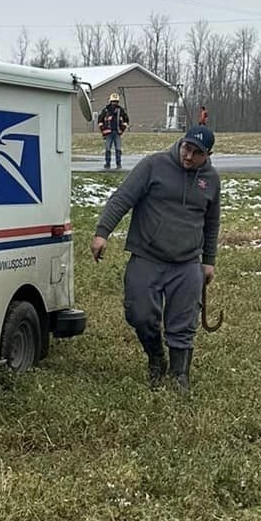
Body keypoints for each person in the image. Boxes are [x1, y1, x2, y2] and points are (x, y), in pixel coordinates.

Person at [91, 124, 220, 393]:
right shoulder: (154, 165)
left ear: (207, 155)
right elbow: (122, 199)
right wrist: (102, 233)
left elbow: (211, 222)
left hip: (186, 262)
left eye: (196, 153)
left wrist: (208, 260)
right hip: (147, 255)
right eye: (186, 148)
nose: (188, 156)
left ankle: (179, 375)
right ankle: (155, 357)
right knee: (139, 314)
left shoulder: (211, 180)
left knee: (183, 322)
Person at [97, 93, 131, 169]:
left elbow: (126, 120)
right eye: (113, 101)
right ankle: (107, 164)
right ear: (110, 101)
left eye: (116, 102)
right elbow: (100, 121)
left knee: (118, 149)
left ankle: (118, 164)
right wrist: (103, 130)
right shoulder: (105, 110)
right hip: (108, 134)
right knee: (107, 149)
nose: (114, 103)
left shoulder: (120, 110)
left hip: (117, 132)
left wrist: (122, 129)